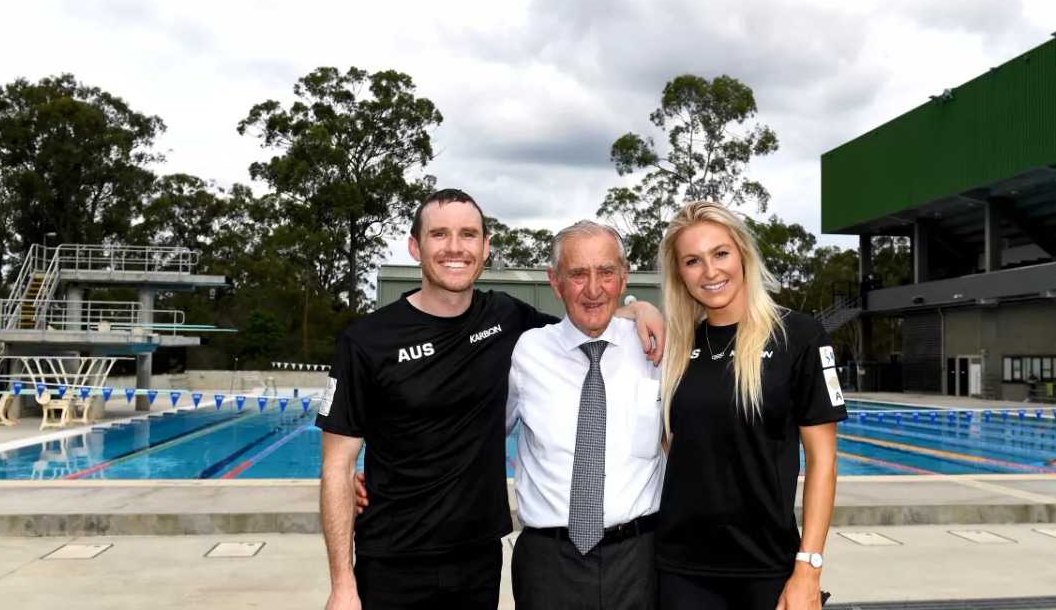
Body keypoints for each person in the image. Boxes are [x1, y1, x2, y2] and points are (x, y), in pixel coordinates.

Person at [316, 189, 665, 610]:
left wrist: (641, 308)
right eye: (439, 234)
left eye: (468, 234)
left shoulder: (508, 320)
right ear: (415, 246)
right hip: (396, 558)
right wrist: (342, 585)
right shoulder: (367, 341)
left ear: (485, 248)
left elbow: (589, 313)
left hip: (481, 559)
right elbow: (336, 464)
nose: (454, 247)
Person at [653, 201, 847, 610]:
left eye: (720, 253)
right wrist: (634, 308)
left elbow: (823, 462)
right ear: (679, 274)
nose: (710, 271)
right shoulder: (676, 347)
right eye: (693, 261)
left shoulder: (799, 336)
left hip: (768, 568)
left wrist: (808, 568)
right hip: (681, 569)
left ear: (742, 253)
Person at [505, 220, 665, 610]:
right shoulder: (525, 353)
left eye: (606, 272)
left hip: (640, 561)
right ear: (555, 282)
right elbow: (476, 436)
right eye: (578, 274)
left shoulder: (658, 346)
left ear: (624, 275)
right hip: (549, 563)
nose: (593, 289)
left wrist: (642, 308)